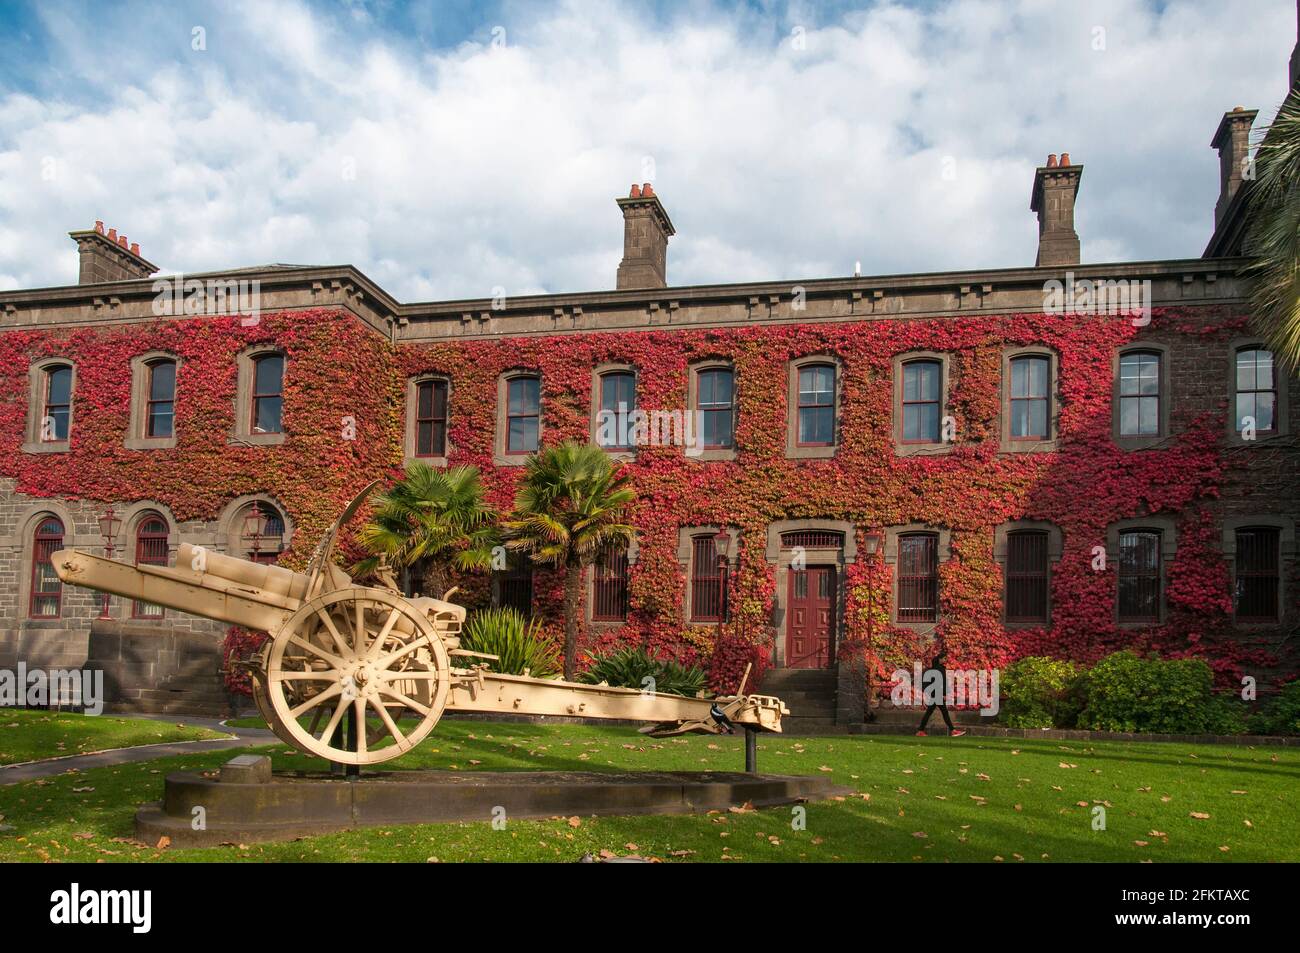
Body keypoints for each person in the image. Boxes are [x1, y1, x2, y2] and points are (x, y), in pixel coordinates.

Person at [916, 643, 966, 737]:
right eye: (944, 659)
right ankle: (953, 731)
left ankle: (920, 730)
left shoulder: (934, 669)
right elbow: (942, 682)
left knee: (931, 712)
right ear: (939, 659)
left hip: (934, 693)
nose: (945, 660)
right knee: (944, 712)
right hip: (937, 693)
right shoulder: (940, 669)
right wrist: (943, 693)